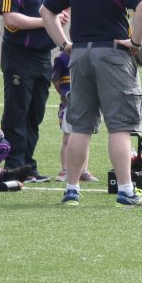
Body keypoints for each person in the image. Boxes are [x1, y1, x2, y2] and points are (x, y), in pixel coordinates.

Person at [41, 0, 142, 207]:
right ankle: (126, 190)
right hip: (113, 54)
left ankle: (71, 189)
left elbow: (47, 10)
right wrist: (136, 42)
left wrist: (64, 43)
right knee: (120, 126)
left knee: (80, 125)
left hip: (79, 54)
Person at [0, 0, 63, 182]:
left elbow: (55, 15)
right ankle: (14, 166)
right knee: (17, 111)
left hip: (43, 57)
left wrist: (59, 20)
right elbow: (10, 19)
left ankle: (29, 165)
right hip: (19, 55)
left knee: (35, 113)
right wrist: (45, 22)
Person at [50, 48, 94, 183]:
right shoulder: (62, 58)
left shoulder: (88, 54)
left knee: (84, 135)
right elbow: (56, 79)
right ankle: (65, 169)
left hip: (85, 100)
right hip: (69, 102)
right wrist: (63, 94)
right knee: (67, 137)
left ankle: (83, 170)